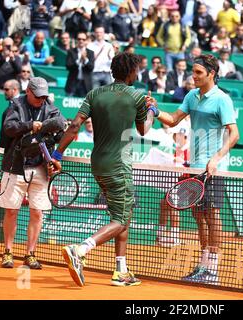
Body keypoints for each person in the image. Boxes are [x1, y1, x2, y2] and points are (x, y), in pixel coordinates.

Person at [50, 52, 155, 287]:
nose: (137, 73)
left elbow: (75, 124)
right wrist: (152, 113)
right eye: (136, 69)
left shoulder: (94, 94)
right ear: (130, 72)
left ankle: (121, 271)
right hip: (119, 166)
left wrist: (57, 153)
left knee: (122, 216)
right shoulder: (137, 97)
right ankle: (80, 249)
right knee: (120, 218)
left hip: (97, 164)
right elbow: (144, 130)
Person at [148, 54, 240, 285]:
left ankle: (214, 270)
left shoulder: (222, 99)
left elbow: (235, 134)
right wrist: (156, 111)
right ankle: (203, 266)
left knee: (213, 215)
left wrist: (217, 158)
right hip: (195, 166)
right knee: (198, 216)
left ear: (211, 74)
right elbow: (173, 120)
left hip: (214, 168)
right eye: (193, 71)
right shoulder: (191, 96)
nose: (194, 76)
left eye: (199, 72)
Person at [0, 77, 66, 269]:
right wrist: (31, 125)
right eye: (37, 96)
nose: (41, 100)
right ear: (28, 91)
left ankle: (30, 254)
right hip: (16, 166)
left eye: (44, 96)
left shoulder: (51, 108)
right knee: (12, 211)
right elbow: (9, 128)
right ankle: (8, 252)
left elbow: (61, 127)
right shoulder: (16, 105)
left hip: (41, 168)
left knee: (37, 213)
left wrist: (55, 158)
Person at [65, 31, 94, 97]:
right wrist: (79, 61)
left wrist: (85, 60)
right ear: (76, 40)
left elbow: (91, 67)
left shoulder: (90, 53)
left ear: (86, 41)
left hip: (85, 84)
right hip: (72, 83)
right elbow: (68, 66)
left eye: (83, 39)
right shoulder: (71, 51)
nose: (81, 41)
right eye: (79, 39)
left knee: (84, 106)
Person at [0, 79, 21, 151]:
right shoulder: (12, 104)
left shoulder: (20, 105)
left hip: (14, 149)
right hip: (8, 148)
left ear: (14, 90)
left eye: (7, 89)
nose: (4, 92)